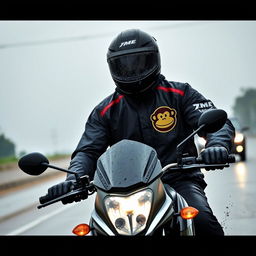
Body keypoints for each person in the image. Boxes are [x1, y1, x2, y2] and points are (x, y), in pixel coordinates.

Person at [46, 29, 235, 235]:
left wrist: (216, 145)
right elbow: (88, 151)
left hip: (178, 180)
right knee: (96, 230)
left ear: (154, 60)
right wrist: (73, 180)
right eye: (124, 65)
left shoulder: (180, 94)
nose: (132, 71)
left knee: (203, 223)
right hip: (121, 193)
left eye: (138, 63)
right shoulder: (105, 111)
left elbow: (217, 122)